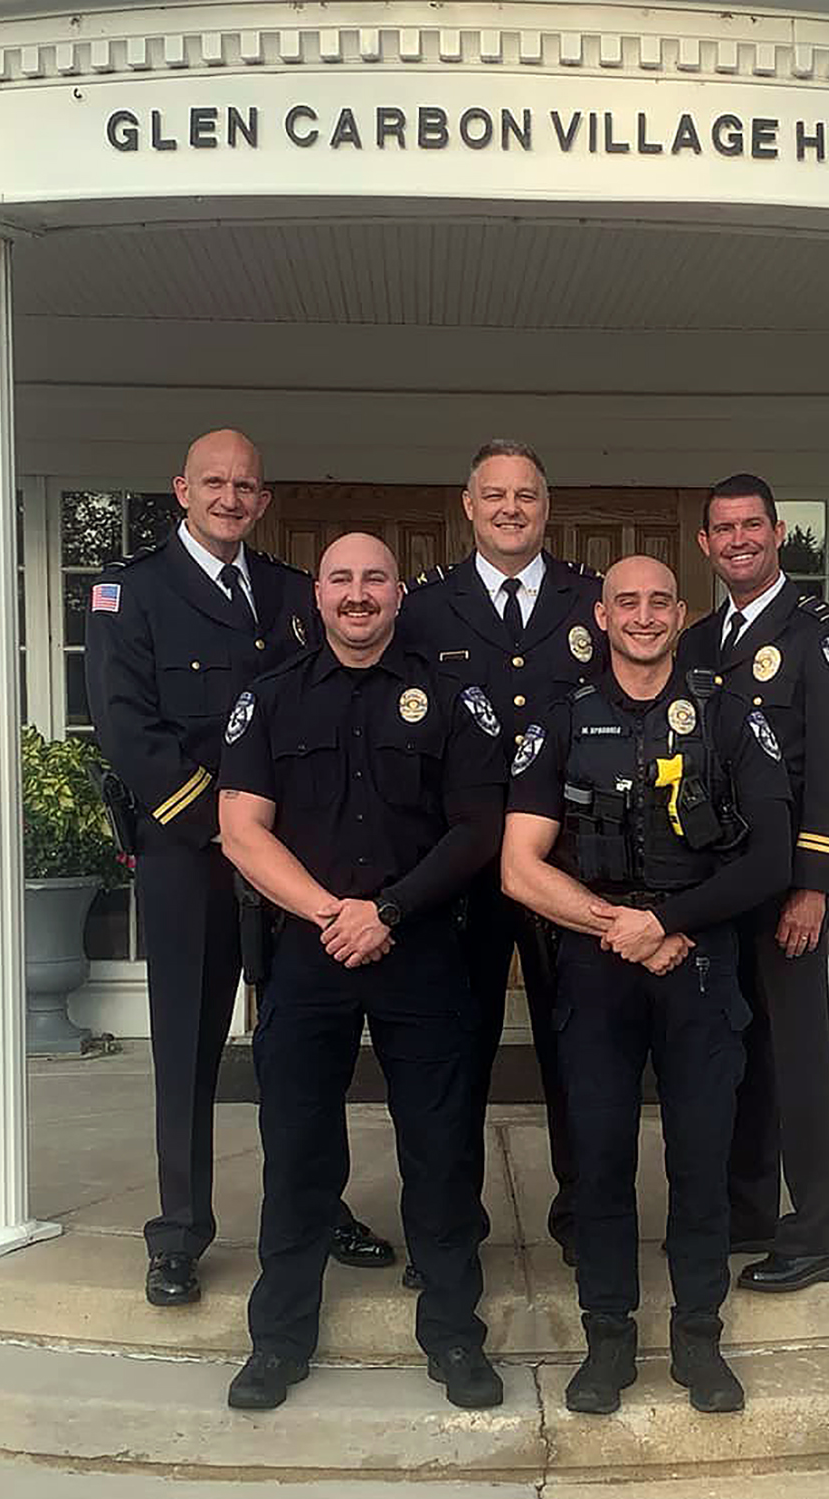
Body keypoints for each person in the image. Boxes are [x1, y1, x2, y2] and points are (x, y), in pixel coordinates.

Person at [85, 429, 392, 1310]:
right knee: (188, 1046)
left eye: (245, 486)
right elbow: (125, 727)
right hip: (192, 857)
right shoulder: (130, 594)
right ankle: (179, 1232)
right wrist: (223, 829)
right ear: (182, 489)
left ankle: (315, 1204)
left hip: (292, 863)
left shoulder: (296, 594)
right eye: (213, 482)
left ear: (262, 501)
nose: (229, 497)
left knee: (304, 1044)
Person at [218, 532, 507, 1412]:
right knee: (298, 1147)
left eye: (373, 579)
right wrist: (328, 913)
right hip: (310, 955)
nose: (357, 594)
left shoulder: (454, 699)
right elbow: (241, 828)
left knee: (442, 1147)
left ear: (396, 593)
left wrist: (386, 911)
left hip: (420, 947)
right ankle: (279, 1339)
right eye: (341, 579)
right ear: (318, 595)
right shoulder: (268, 700)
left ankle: (455, 1335)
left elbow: (478, 828)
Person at [502, 555, 792, 1414]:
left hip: (698, 967)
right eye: (626, 601)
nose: (642, 614)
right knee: (598, 1163)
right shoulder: (562, 718)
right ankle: (608, 1342)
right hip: (597, 971)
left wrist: (668, 924)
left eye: (659, 600)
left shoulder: (731, 717)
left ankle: (699, 1340)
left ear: (680, 611)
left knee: (701, 1163)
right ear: (602, 613)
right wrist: (618, 927)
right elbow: (520, 868)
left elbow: (770, 859)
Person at [400, 439, 604, 1277]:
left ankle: (586, 1215)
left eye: (526, 495)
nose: (511, 508)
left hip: (568, 864)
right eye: (496, 495)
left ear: (545, 508)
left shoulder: (591, 600)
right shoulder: (423, 610)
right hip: (464, 870)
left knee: (578, 1048)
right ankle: (448, 1229)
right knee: (455, 1053)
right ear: (468, 505)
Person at [678, 473, 829, 1293]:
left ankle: (818, 1230)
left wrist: (816, 885)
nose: (738, 541)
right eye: (723, 529)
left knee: (796, 1058)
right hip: (721, 883)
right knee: (738, 1052)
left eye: (751, 525)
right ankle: (749, 1207)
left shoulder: (822, 632)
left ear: (779, 531)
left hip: (788, 882)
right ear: (705, 544)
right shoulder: (695, 643)